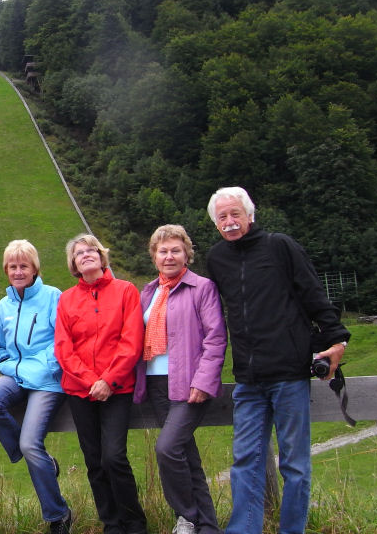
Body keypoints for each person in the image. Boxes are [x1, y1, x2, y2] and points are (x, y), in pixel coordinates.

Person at [205, 187, 351, 534]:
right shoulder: (217, 258)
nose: (229, 221)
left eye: (235, 214)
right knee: (245, 461)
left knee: (294, 464)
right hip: (248, 378)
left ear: (250, 215)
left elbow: (312, 292)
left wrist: (337, 339)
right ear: (215, 223)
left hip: (289, 374)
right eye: (222, 217)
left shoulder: (279, 246)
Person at [133, 225, 227, 534]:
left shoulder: (202, 288)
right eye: (163, 251)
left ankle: (186, 517)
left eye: (176, 250)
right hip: (156, 384)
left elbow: (215, 338)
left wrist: (204, 381)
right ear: (154, 256)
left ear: (187, 254)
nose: (169, 256)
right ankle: (207, 526)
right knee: (186, 456)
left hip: (189, 384)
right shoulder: (149, 292)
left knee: (167, 449)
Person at [54, 233, 148, 534]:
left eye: (91, 250)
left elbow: (132, 341)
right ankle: (112, 524)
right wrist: (90, 380)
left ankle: (135, 523)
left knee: (114, 457)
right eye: (79, 253)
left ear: (101, 255)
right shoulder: (67, 299)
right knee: (94, 461)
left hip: (117, 389)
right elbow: (63, 348)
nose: (86, 254)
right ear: (73, 263)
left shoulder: (125, 290)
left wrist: (108, 379)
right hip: (80, 391)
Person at [0, 240, 72, 534]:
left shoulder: (53, 296)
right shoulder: (3, 305)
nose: (18, 272)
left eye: (23, 266)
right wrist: (6, 363)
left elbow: (61, 341)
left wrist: (43, 369)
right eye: (13, 266)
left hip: (46, 380)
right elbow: (0, 346)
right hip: (15, 375)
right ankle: (40, 461)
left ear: (34, 269)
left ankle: (58, 516)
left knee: (32, 444)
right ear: (6, 270)